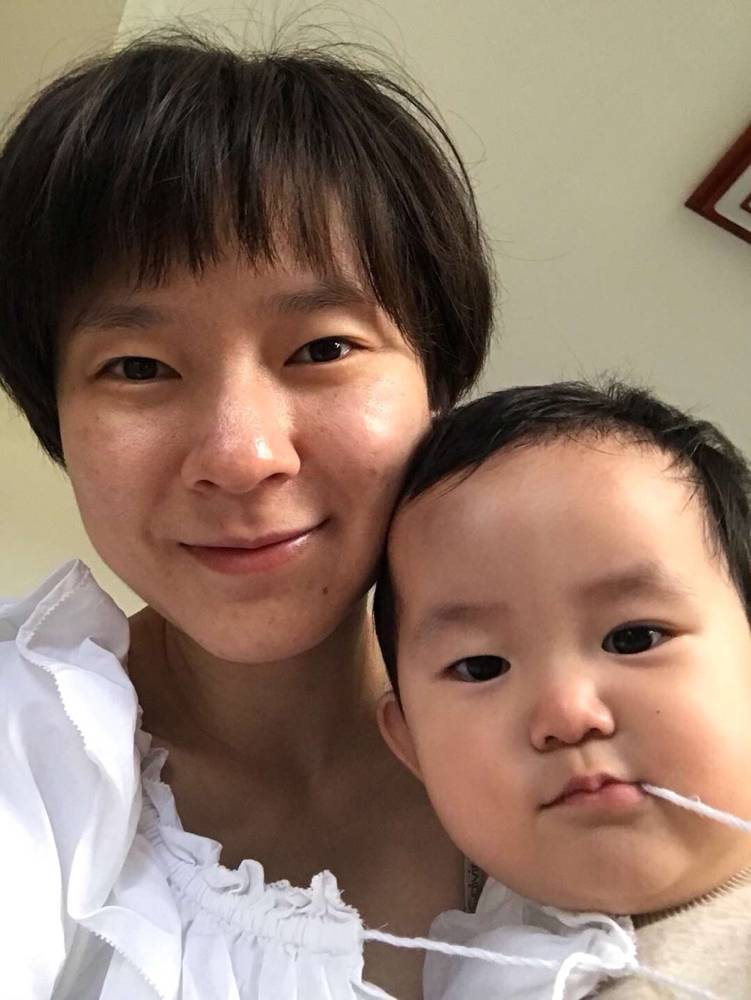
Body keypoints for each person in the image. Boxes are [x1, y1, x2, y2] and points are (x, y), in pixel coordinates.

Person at [0, 29, 495, 1000]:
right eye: (137, 367)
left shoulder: (599, 737)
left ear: (436, 386)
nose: (240, 455)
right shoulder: (26, 749)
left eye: (322, 349)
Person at [374, 380, 751, 998]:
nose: (568, 714)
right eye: (481, 667)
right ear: (411, 745)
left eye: (633, 638)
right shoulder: (465, 962)